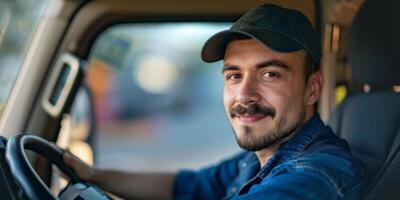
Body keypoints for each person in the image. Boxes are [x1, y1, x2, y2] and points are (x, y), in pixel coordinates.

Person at [63, 4, 365, 200]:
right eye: (234, 76)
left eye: (270, 74)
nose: (244, 95)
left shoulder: (313, 177)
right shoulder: (261, 156)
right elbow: (189, 186)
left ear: (312, 89)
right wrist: (93, 176)